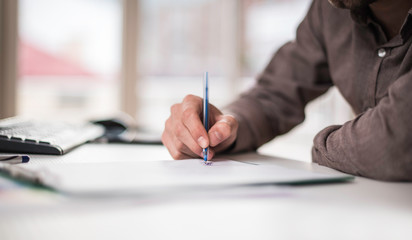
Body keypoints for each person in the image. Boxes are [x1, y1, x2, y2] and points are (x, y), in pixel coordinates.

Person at [161, 0, 412, 181]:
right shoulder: (330, 9)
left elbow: (395, 139)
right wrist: (223, 125)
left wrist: (323, 147)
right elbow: (275, 92)